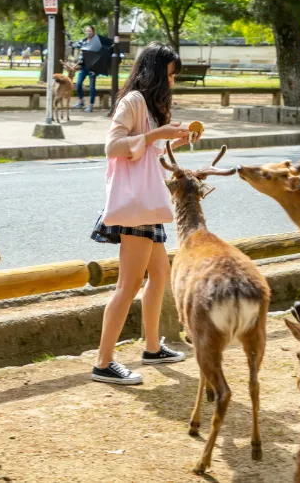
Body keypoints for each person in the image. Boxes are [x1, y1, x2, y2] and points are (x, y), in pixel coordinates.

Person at [89, 41, 201, 385]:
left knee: (160, 275)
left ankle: (152, 347)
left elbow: (148, 150)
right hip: (137, 206)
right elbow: (112, 147)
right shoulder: (134, 101)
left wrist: (179, 138)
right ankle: (103, 362)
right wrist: (156, 134)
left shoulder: (148, 106)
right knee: (129, 284)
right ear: (154, 72)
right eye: (169, 75)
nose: (171, 82)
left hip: (148, 204)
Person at [72, 25, 100, 112]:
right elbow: (75, 44)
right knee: (78, 84)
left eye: (90, 31)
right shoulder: (83, 41)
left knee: (92, 87)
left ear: (93, 32)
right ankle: (81, 100)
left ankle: (90, 105)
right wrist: (71, 43)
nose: (88, 32)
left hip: (92, 68)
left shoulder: (96, 42)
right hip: (83, 67)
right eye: (86, 31)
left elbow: (99, 55)